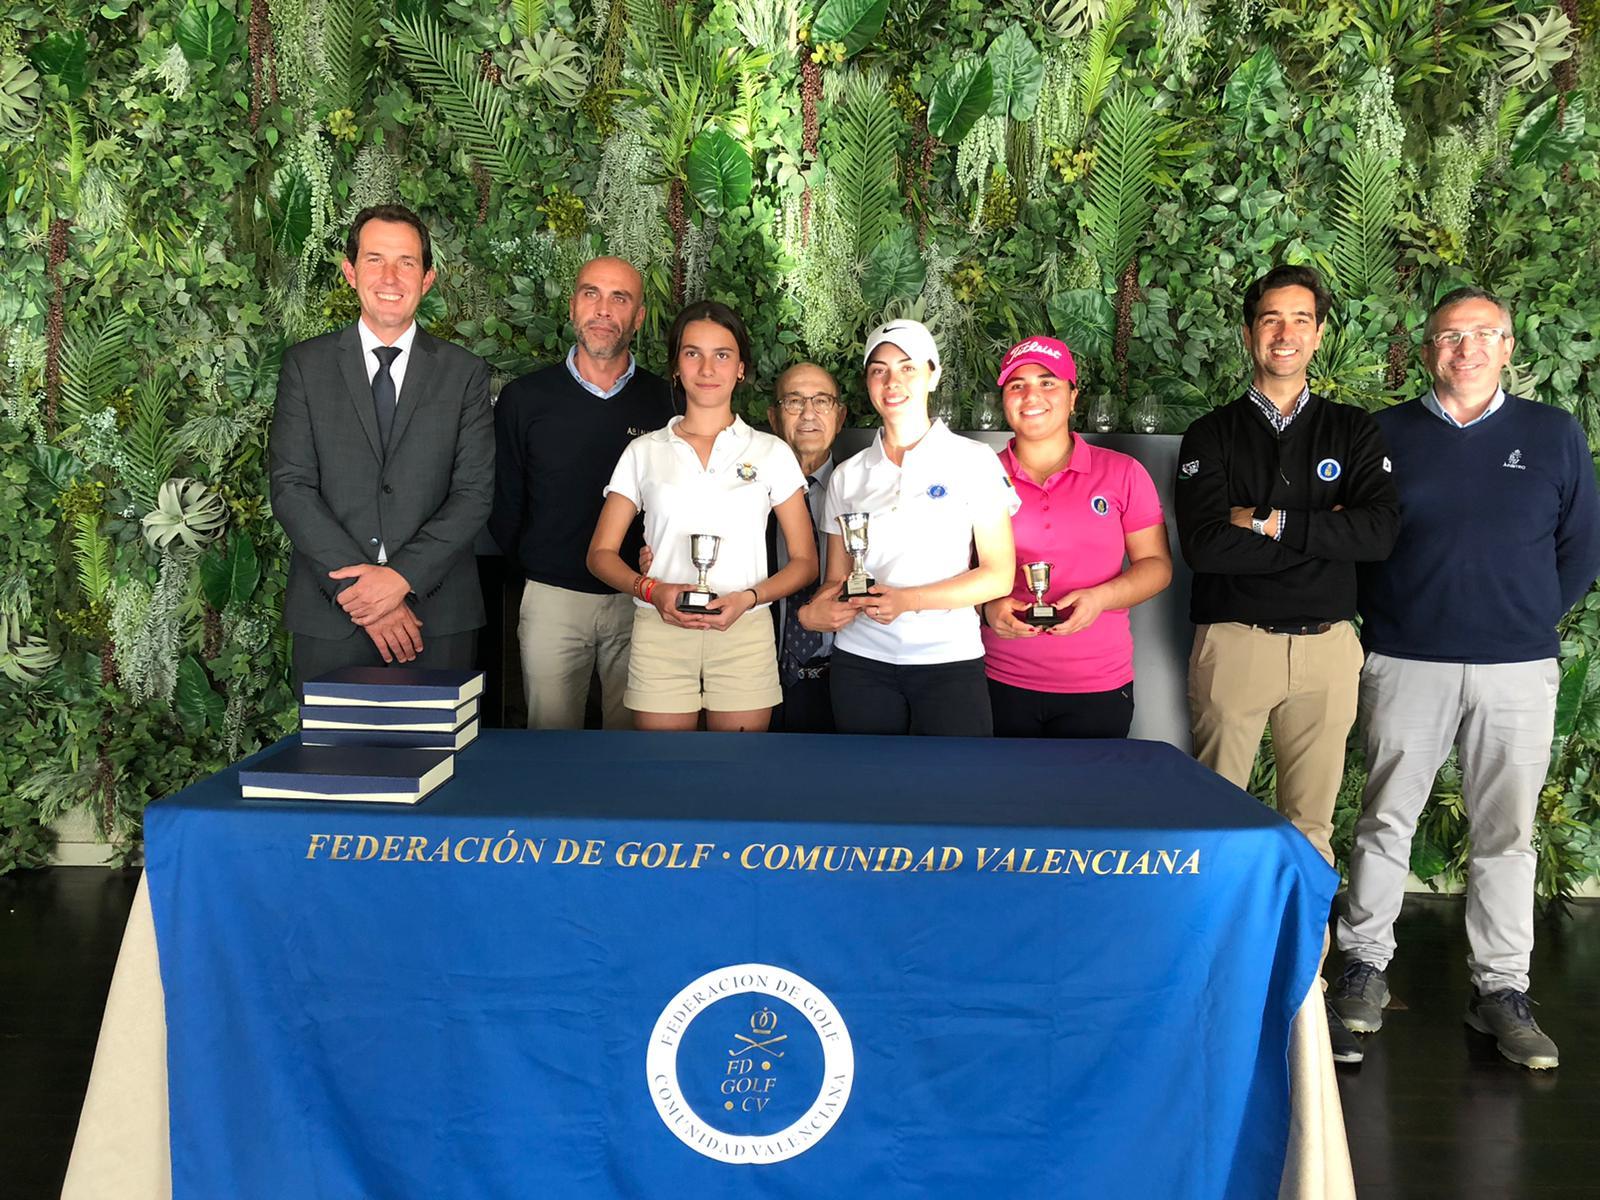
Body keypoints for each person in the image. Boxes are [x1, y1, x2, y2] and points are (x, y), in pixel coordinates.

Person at [1330, 287, 1600, 1070]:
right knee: (1386, 819)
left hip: (1517, 667)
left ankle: (1502, 992)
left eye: (1485, 334)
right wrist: (1389, 622)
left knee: (1507, 836)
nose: (1468, 348)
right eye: (1451, 336)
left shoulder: (1553, 434)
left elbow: (1580, 547)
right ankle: (1363, 968)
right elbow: (1356, 542)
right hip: (1407, 659)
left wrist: (1524, 617)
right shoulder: (1384, 435)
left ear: (1509, 346)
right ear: (1427, 350)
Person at [1173, 264, 1399, 1064]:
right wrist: (1315, 531)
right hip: (1235, 644)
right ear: (1249, 333)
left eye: (1300, 319)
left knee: (1311, 824)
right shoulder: (1211, 434)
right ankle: (1207, 979)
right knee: (1216, 817)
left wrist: (1265, 521)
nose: (1284, 333)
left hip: (1330, 647)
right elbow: (1205, 547)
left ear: (1318, 333)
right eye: (1270, 319)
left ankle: (1303, 985)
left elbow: (1375, 537)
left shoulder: (1353, 431)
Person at [270, 204, 493, 689]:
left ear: (427, 278)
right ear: (350, 272)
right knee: (331, 766)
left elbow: (473, 494)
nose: (390, 276)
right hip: (333, 617)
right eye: (375, 259)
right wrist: (363, 594)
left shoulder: (465, 374)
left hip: (437, 617)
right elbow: (292, 487)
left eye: (406, 262)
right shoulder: (305, 367)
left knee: (439, 764)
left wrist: (400, 579)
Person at [586, 301, 816, 731]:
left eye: (722, 355)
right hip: (661, 631)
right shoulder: (645, 451)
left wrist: (748, 598)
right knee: (664, 774)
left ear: (741, 368)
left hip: (743, 632)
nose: (707, 368)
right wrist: (651, 588)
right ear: (676, 366)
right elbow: (600, 554)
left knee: (738, 775)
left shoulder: (770, 452)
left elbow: (805, 561)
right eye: (693, 353)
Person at [799, 319, 1018, 736]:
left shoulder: (974, 461)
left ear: (932, 376)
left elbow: (998, 575)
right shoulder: (848, 476)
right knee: (872, 793)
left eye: (907, 368)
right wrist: (818, 610)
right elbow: (837, 579)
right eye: (878, 370)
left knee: (954, 794)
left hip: (948, 662)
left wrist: (908, 600)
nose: (892, 381)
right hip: (861, 664)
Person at [489, 257, 675, 730]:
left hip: (642, 600)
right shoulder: (524, 399)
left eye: (620, 298)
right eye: (591, 294)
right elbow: (504, 503)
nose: (603, 309)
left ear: (638, 316)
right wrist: (538, 566)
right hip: (553, 600)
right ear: (573, 306)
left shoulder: (667, 403)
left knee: (634, 746)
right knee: (550, 743)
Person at [981, 336, 1171, 737]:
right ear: (1005, 400)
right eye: (1017, 384)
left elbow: (1156, 567)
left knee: (1088, 801)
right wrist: (987, 607)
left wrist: (1100, 599)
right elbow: (953, 570)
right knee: (1003, 800)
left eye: (1048, 382)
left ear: (1073, 397)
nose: (1032, 394)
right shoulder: (978, 476)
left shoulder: (1123, 473)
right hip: (997, 678)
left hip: (1098, 683)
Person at [766, 363, 848, 732]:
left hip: (849, 678)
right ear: (773, 416)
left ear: (840, 414)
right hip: (759, 676)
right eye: (794, 401)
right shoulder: (745, 493)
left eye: (822, 401)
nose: (809, 414)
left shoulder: (864, 490)